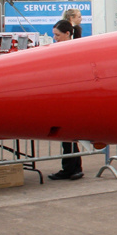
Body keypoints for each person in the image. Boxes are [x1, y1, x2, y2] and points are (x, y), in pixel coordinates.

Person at [48, 20, 83, 181]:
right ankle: (72, 168)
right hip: (65, 96)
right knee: (68, 139)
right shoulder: (65, 48)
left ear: (67, 34)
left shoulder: (72, 50)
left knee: (68, 137)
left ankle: (72, 168)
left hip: (70, 97)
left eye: (57, 35)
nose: (55, 38)